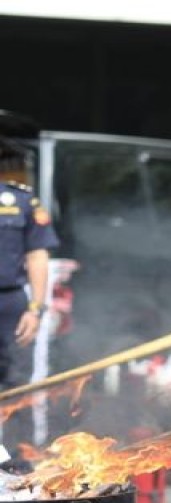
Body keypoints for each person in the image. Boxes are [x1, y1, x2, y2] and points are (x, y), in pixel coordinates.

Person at [0, 136, 57, 447]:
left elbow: (37, 256)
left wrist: (35, 308)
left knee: (16, 384)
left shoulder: (21, 201)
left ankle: (17, 458)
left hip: (10, 304)